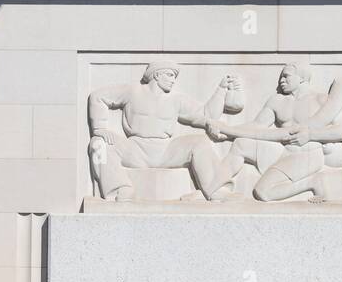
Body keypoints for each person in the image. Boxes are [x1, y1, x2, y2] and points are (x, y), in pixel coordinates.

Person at [88, 63, 244, 202]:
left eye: (174, 77)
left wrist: (221, 90)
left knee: (199, 141)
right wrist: (99, 128)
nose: (173, 80)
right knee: (98, 144)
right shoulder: (132, 91)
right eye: (170, 75)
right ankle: (119, 190)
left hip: (165, 151)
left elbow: (206, 114)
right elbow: (97, 97)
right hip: (135, 149)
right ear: (157, 74)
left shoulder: (177, 99)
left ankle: (216, 190)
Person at [203, 64, 342, 203]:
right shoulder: (277, 101)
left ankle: (312, 182)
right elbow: (257, 126)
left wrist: (311, 135)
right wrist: (228, 133)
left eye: (287, 76)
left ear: (302, 78)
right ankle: (210, 190)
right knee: (241, 144)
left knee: (263, 193)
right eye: (281, 77)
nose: (281, 80)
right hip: (281, 149)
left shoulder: (321, 100)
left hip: (306, 154)